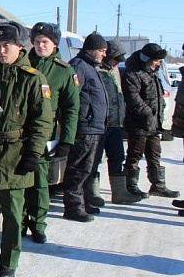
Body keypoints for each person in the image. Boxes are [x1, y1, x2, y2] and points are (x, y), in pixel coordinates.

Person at [0, 21, 52, 277]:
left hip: (15, 153)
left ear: (20, 46)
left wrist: (34, 153)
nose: (2, 50)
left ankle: (8, 262)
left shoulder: (33, 78)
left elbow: (42, 121)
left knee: (13, 214)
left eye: (7, 45)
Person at [22, 22, 79, 242]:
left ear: (54, 44)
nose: (40, 46)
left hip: (45, 131)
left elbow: (72, 109)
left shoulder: (63, 71)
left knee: (39, 180)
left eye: (44, 42)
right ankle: (19, 222)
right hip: (20, 128)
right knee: (19, 180)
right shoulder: (24, 63)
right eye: (36, 42)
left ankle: (38, 223)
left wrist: (66, 140)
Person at [61, 32, 109, 222]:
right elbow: (71, 98)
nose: (104, 54)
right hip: (84, 128)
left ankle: (84, 202)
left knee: (88, 168)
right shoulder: (79, 67)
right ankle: (73, 206)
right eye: (102, 51)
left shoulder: (91, 67)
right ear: (91, 50)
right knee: (78, 168)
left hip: (95, 128)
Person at [122, 43, 180, 198]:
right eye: (156, 60)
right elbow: (133, 99)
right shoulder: (132, 73)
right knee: (134, 155)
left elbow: (157, 98)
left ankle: (158, 185)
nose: (158, 63)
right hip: (139, 125)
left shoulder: (152, 73)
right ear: (147, 59)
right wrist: (148, 114)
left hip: (154, 125)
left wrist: (157, 118)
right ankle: (130, 186)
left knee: (155, 155)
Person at [94, 41, 141, 204]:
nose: (118, 63)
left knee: (117, 157)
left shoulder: (114, 71)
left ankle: (119, 193)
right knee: (95, 158)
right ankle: (92, 193)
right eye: (116, 59)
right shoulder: (96, 70)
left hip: (116, 124)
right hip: (101, 124)